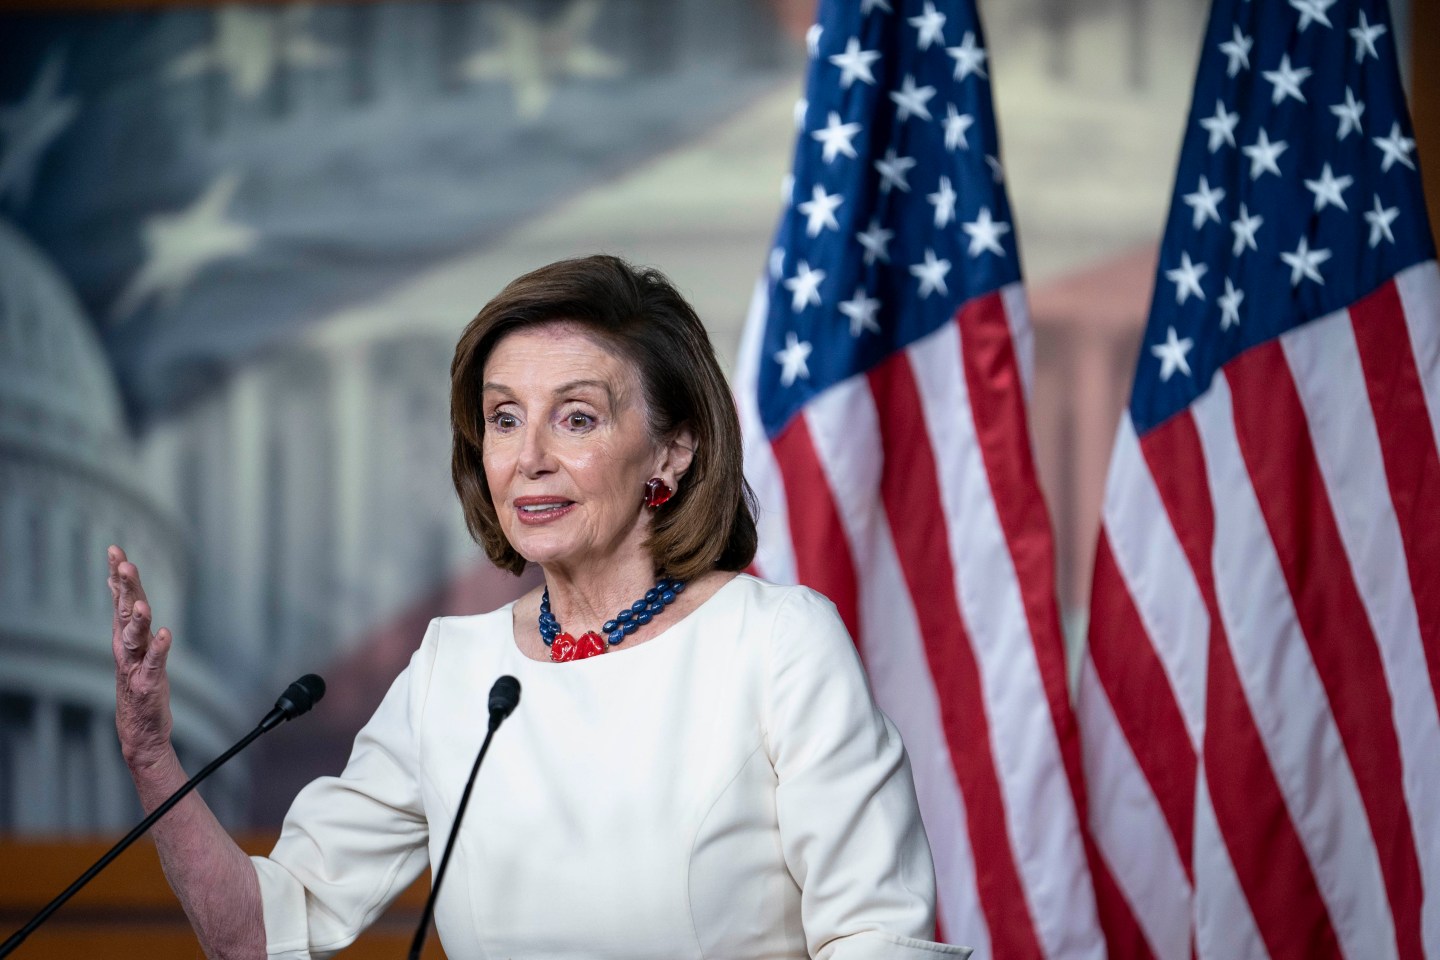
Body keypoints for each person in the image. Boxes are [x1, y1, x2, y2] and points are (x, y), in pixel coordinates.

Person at [111, 255, 972, 960]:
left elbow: (880, 939)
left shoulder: (776, 644)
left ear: (672, 450)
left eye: (577, 418)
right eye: (504, 418)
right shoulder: (454, 671)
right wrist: (152, 756)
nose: (529, 457)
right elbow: (259, 934)